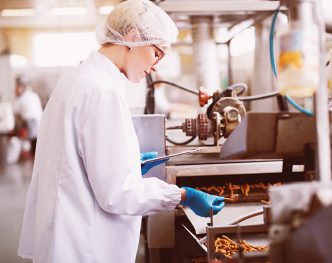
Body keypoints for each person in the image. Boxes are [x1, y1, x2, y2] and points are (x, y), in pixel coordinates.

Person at [18, 1, 225, 262]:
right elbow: (119, 193)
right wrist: (183, 195)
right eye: (157, 52)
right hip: (86, 248)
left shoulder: (76, 79)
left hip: (66, 238)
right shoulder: (102, 93)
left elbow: (72, 162)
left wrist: (126, 164)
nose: (156, 66)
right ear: (133, 38)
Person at [13, 75, 43, 157]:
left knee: (26, 137)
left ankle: (27, 151)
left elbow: (16, 114)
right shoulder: (33, 95)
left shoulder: (22, 98)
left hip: (29, 122)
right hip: (38, 122)